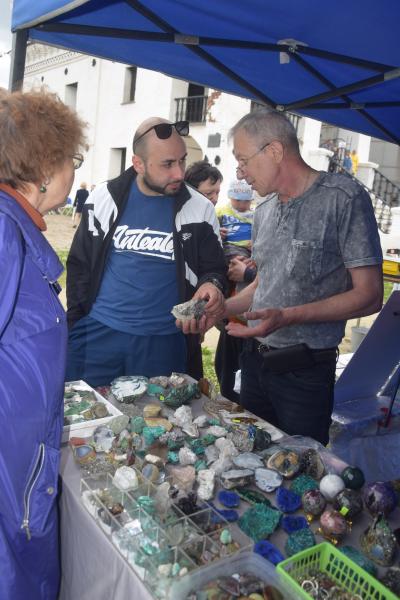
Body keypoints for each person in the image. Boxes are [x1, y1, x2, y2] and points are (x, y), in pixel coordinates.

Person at [190, 108, 383, 445]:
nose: (241, 173)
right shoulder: (264, 210)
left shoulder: (343, 199)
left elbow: (370, 295)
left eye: (243, 161)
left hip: (305, 371)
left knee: (302, 462)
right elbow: (264, 284)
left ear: (275, 151)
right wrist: (222, 307)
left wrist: (287, 317)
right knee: (253, 457)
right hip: (254, 362)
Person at [0, 88, 85, 599]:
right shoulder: (3, 230)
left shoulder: (14, 225)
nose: (74, 172)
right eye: (73, 160)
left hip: (22, 453)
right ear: (46, 167)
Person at [66, 117, 227, 386]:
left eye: (182, 161)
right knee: (87, 410)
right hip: (98, 335)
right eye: (167, 164)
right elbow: (80, 265)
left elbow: (215, 269)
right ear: (138, 164)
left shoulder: (200, 208)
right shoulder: (104, 197)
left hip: (164, 343)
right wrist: (76, 322)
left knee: (159, 413)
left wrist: (212, 284)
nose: (179, 173)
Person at [214, 179, 256, 401]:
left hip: (255, 330)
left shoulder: (259, 216)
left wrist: (248, 273)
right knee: (227, 372)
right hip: (232, 325)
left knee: (244, 383)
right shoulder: (221, 214)